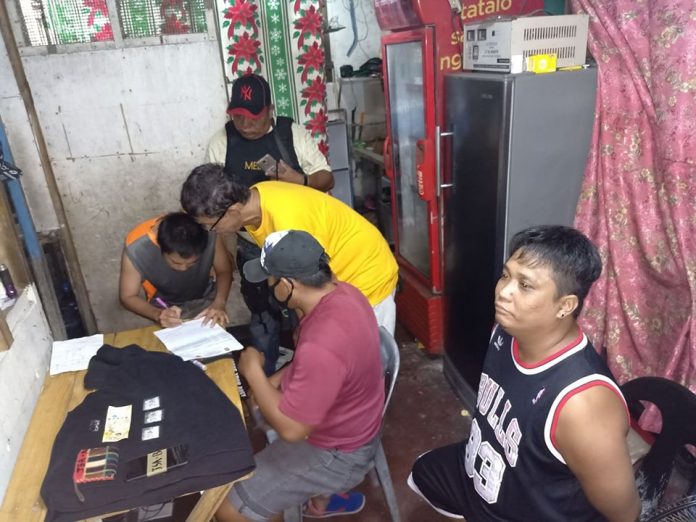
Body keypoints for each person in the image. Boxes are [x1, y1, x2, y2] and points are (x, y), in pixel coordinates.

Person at [408, 225, 641, 522]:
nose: (503, 291)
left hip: (527, 511)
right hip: (486, 475)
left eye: (525, 285)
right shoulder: (505, 333)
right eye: (506, 275)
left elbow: (625, 513)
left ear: (565, 306)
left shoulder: (581, 405)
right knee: (422, 471)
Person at [215, 230, 384, 521]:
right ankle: (311, 501)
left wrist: (253, 372)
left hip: (338, 453)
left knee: (226, 507)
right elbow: (329, 364)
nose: (269, 288)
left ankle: (296, 495)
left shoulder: (322, 341)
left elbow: (293, 431)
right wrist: (276, 380)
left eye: (270, 281)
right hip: (357, 423)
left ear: (288, 284)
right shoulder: (346, 294)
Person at [180, 164, 398, 374]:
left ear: (233, 211)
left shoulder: (287, 221)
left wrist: (308, 325)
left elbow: (318, 288)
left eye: (211, 224)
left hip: (365, 276)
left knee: (365, 368)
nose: (211, 230)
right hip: (335, 273)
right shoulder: (258, 198)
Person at [206, 73, 334, 192]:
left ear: (270, 111)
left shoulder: (293, 134)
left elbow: (328, 179)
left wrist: (301, 180)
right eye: (238, 116)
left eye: (254, 117)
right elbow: (209, 191)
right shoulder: (220, 142)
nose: (245, 125)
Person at [119, 212, 233, 328]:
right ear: (162, 248)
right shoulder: (137, 249)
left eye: (192, 263)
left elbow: (224, 270)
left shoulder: (209, 233)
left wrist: (219, 303)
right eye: (176, 262)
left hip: (205, 298)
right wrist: (158, 314)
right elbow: (128, 296)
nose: (183, 269)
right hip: (163, 305)